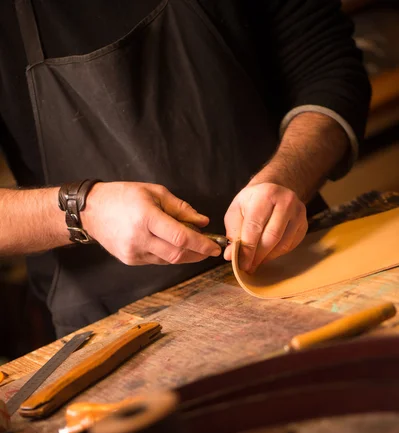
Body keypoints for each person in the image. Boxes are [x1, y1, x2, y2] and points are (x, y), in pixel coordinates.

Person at [0, 0, 371, 336]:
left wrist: (287, 175)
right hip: (115, 329)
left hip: (295, 269)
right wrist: (84, 209)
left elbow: (331, 71)